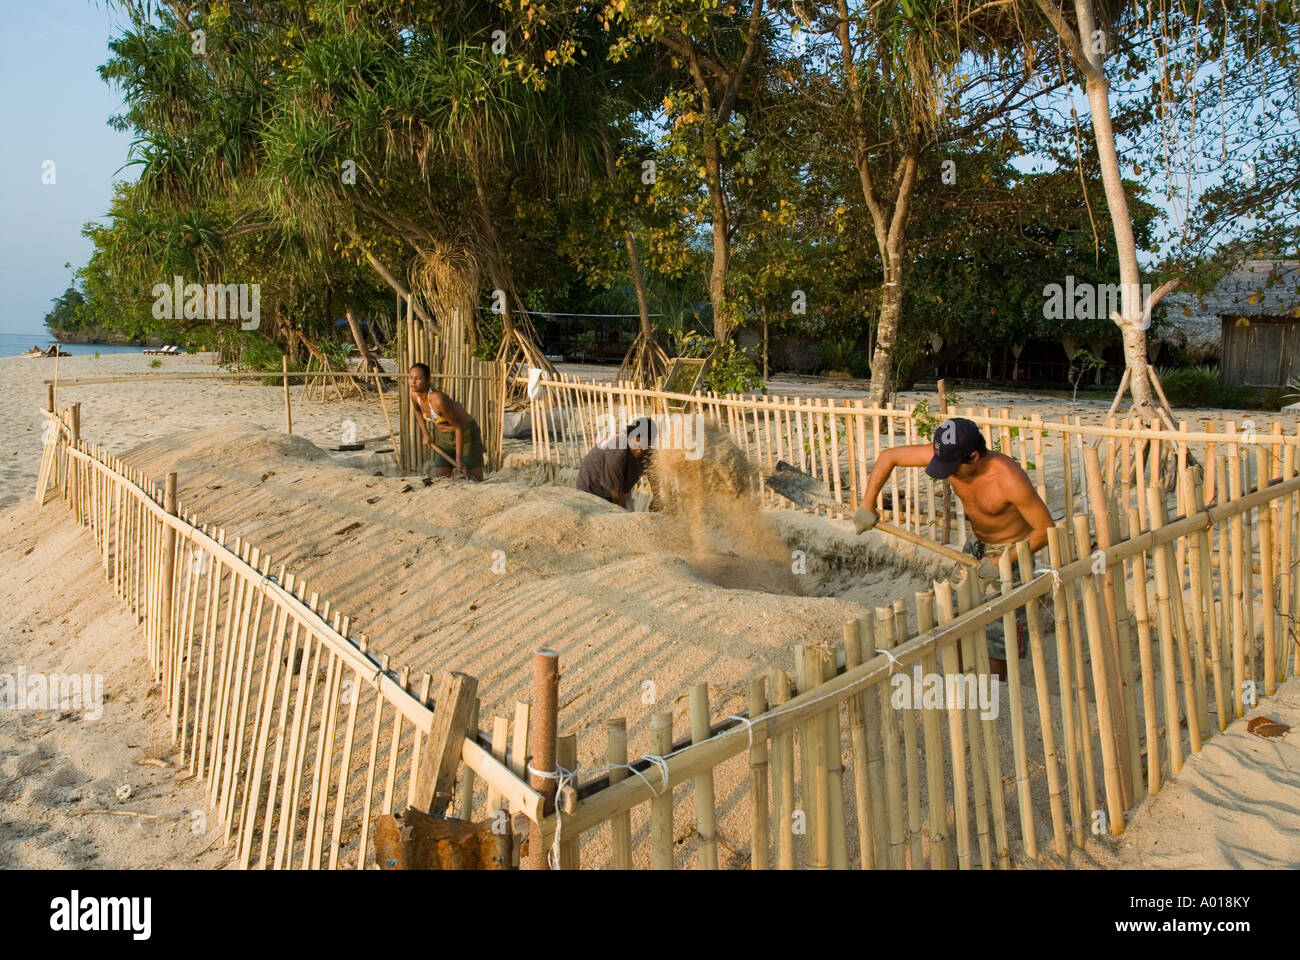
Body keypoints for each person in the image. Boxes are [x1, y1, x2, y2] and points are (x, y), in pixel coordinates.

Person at [855, 417, 1054, 678]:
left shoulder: (1008, 478)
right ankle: (963, 678)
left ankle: (998, 693)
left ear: (973, 456)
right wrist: (868, 504)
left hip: (1011, 553)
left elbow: (1046, 530)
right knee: (957, 616)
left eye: (953, 467)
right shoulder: (950, 454)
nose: (946, 472)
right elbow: (888, 456)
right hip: (975, 547)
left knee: (1000, 634)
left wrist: (1003, 562)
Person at [407, 363, 485, 481]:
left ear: (427, 380)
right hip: (444, 437)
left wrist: (459, 459)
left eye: (418, 379)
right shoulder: (414, 394)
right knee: (441, 478)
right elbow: (417, 411)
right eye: (410, 377)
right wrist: (425, 434)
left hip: (467, 434)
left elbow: (459, 428)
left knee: (475, 479)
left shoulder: (438, 399)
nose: (413, 382)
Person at [576, 417, 657, 508]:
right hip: (592, 491)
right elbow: (616, 496)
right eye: (636, 445)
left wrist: (657, 500)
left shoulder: (649, 451)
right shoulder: (616, 454)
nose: (639, 450)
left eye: (644, 446)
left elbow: (653, 475)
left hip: (619, 488)